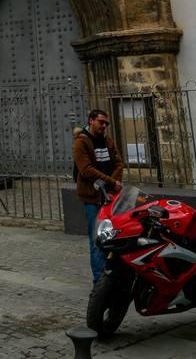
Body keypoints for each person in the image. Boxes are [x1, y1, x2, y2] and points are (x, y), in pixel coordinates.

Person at [73, 108, 125, 283]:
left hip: (110, 197)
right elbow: (86, 170)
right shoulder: (81, 142)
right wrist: (111, 181)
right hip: (92, 197)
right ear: (91, 120)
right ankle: (99, 281)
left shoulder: (107, 140)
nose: (104, 125)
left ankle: (113, 275)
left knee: (113, 237)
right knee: (96, 241)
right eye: (101, 122)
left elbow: (119, 163)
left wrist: (112, 183)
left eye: (106, 123)